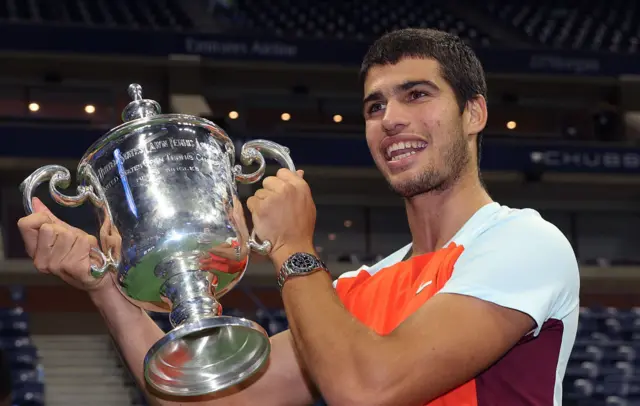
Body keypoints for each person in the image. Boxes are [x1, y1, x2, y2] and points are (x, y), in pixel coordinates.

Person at [17, 27, 579, 405]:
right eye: (375, 106)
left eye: (416, 95)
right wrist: (103, 286)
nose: (391, 119)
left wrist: (292, 249)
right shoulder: (358, 291)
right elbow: (209, 397)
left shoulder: (525, 242)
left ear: (474, 113)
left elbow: (368, 390)